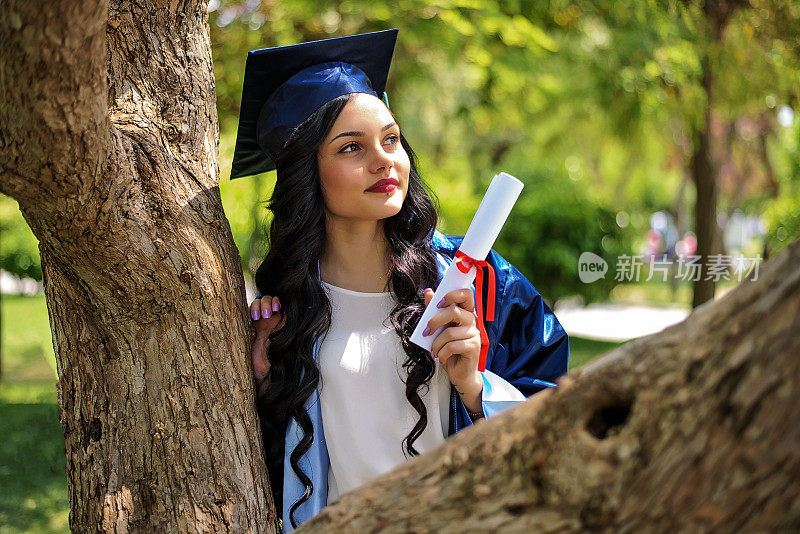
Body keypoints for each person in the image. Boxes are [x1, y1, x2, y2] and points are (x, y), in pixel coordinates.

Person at [230, 29, 569, 533]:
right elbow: (278, 474)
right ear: (306, 173)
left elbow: (561, 421)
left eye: (391, 139)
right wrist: (264, 386)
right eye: (351, 148)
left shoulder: (476, 281)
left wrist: (475, 388)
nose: (383, 158)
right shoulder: (290, 308)